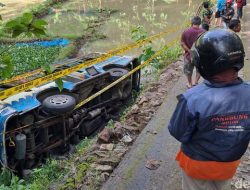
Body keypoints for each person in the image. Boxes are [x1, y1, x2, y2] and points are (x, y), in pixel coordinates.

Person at [168, 29, 249, 190]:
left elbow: (178, 132)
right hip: (228, 165)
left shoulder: (191, 98)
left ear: (202, 64)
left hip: (197, 165)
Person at [180, 16, 205, 89]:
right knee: (199, 69)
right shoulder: (204, 32)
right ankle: (196, 82)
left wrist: (189, 51)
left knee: (188, 70)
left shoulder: (186, 31)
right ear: (200, 23)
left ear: (192, 22)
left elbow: (182, 43)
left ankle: (189, 83)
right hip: (200, 56)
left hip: (189, 55)